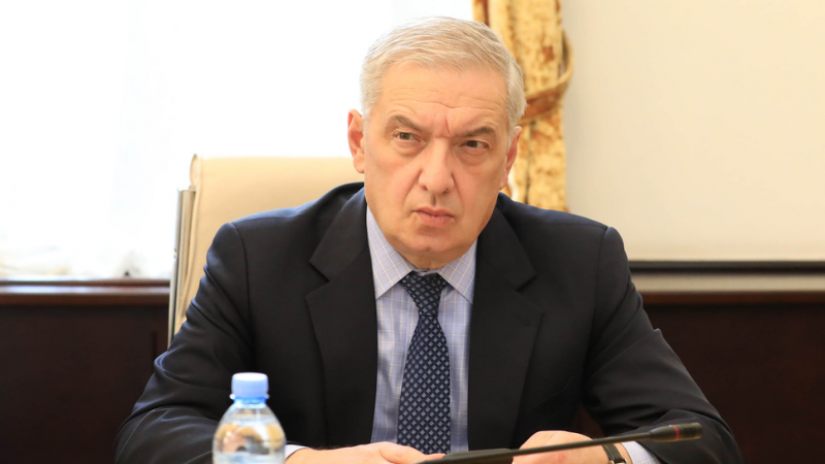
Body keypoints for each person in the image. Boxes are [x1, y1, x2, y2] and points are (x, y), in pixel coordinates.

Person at [115, 17, 742, 464]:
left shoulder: (579, 262)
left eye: (473, 144)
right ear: (360, 143)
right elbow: (153, 434)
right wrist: (297, 462)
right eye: (407, 137)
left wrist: (609, 460)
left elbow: (701, 438)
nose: (437, 178)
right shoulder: (257, 259)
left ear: (508, 159)